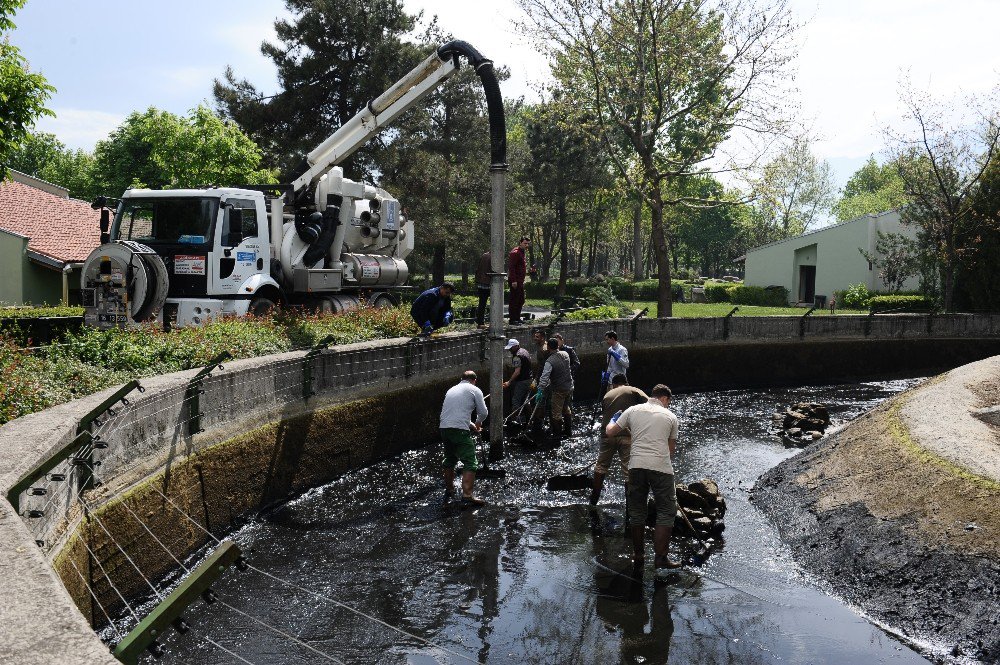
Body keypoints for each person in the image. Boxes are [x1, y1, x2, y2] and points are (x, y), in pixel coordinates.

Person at [605, 384, 681, 573]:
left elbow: (610, 432)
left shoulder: (632, 411)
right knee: (666, 510)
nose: (668, 406)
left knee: (637, 511)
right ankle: (661, 558)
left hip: (636, 466)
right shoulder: (671, 417)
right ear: (665, 399)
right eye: (668, 403)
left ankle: (638, 555)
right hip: (661, 467)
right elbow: (670, 452)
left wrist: (612, 420)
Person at [592, 374, 648, 506]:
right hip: (626, 435)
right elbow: (650, 403)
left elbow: (606, 413)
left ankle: (593, 500)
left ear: (613, 385)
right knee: (628, 471)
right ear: (626, 383)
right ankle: (630, 505)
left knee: (601, 466)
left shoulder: (608, 395)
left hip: (607, 435)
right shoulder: (633, 390)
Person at [440, 370, 489, 507]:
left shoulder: (451, 389)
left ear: (462, 379)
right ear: (474, 380)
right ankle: (467, 495)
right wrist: (478, 423)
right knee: (470, 461)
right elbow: (483, 413)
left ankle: (449, 489)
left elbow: (456, 413)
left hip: (444, 428)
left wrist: (472, 425)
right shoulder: (475, 389)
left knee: (450, 458)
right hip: (459, 430)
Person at [533, 337, 574, 437]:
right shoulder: (565, 354)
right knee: (566, 408)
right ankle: (568, 432)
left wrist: (540, 390)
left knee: (556, 414)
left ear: (548, 347)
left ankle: (557, 437)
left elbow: (544, 377)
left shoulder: (549, 361)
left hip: (559, 390)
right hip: (569, 387)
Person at [502, 338, 533, 424]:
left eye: (511, 348)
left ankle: (514, 421)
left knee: (516, 401)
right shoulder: (524, 351)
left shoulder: (517, 356)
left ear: (516, 346)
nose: (510, 350)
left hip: (522, 381)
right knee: (526, 400)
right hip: (529, 379)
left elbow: (517, 372)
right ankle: (529, 420)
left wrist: (509, 382)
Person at [508, 236, 529, 324]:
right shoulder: (515, 252)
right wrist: (514, 280)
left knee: (520, 299)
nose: (526, 245)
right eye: (525, 243)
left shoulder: (522, 252)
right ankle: (512, 319)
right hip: (515, 281)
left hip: (520, 280)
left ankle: (517, 317)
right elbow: (511, 267)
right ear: (520, 243)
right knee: (515, 300)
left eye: (528, 244)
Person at [474, 251, 491, 329]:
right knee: (485, 303)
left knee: (482, 303)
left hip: (481, 282)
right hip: (488, 283)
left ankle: (480, 322)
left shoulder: (484, 255)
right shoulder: (494, 257)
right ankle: (482, 322)